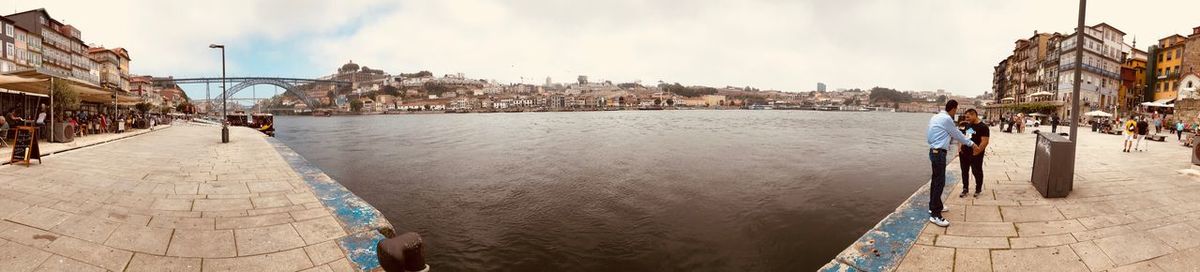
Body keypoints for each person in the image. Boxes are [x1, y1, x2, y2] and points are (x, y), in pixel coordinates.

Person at [926, 100, 978, 227]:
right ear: (954, 109)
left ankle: (934, 206)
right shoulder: (947, 119)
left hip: (933, 151)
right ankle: (935, 215)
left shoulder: (935, 117)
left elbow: (931, 136)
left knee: (935, 181)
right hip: (939, 154)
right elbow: (957, 134)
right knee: (939, 182)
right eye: (956, 110)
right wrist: (971, 144)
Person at [959, 109, 989, 198]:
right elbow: (966, 137)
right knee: (964, 171)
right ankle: (965, 189)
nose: (966, 119)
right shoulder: (969, 125)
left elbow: (985, 141)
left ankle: (978, 188)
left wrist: (978, 151)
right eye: (965, 117)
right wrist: (960, 148)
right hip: (964, 152)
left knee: (977, 171)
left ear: (974, 115)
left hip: (976, 153)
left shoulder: (983, 127)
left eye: (968, 117)